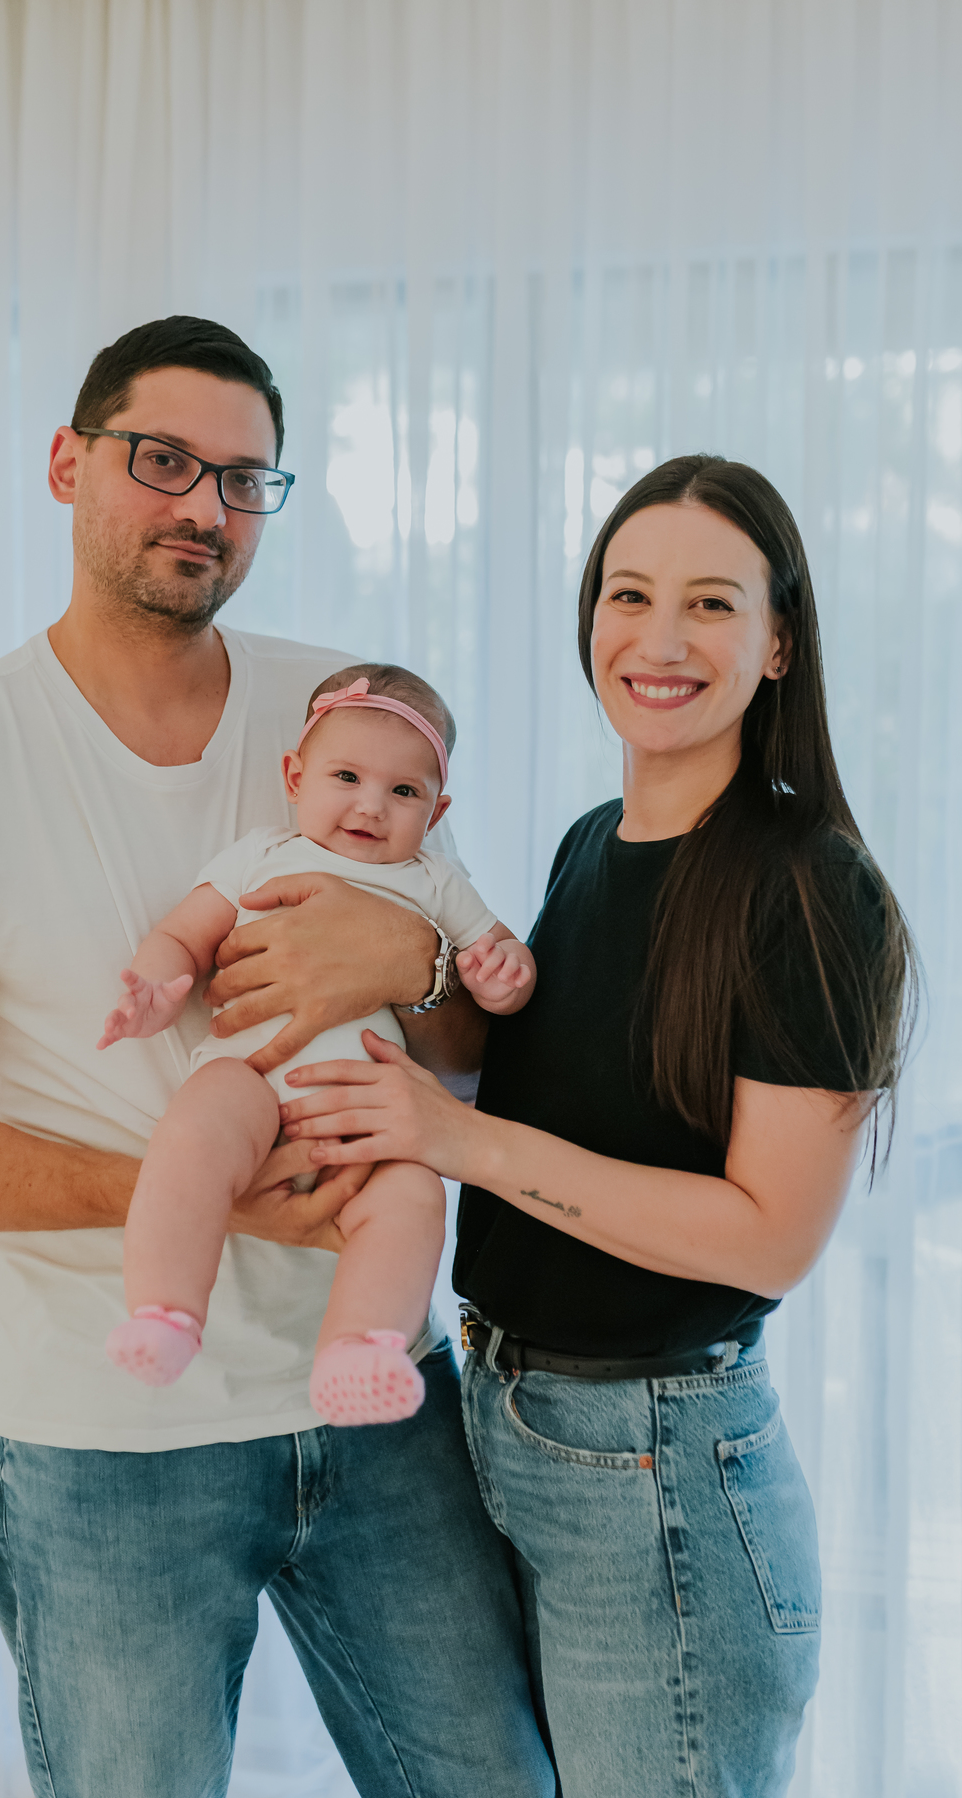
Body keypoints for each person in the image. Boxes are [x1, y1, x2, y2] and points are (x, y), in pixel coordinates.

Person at [0, 317, 556, 1797]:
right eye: (163, 461)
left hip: (384, 1397)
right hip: (112, 1443)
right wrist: (198, 1193)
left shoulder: (343, 705)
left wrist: (401, 961)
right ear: (68, 463)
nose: (204, 506)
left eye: (245, 478)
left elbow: (463, 1032)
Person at [277, 454, 917, 1797]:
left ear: (781, 641)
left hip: (658, 1468)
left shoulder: (810, 887)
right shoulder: (590, 841)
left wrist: (456, 1145)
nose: (660, 638)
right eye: (628, 594)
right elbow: (536, 1085)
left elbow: (767, 1239)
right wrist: (399, 963)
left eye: (713, 604)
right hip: (511, 1415)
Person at [98, 664, 535, 1421]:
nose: (372, 805)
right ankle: (165, 1310)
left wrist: (507, 977)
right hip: (247, 1073)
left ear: (437, 813)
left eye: (404, 792)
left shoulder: (435, 882)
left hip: (369, 1105)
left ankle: (360, 1349)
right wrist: (156, 988)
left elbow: (495, 959)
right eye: (347, 776)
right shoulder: (261, 855)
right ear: (295, 777)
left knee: (411, 1196)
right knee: (194, 1141)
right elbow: (183, 933)